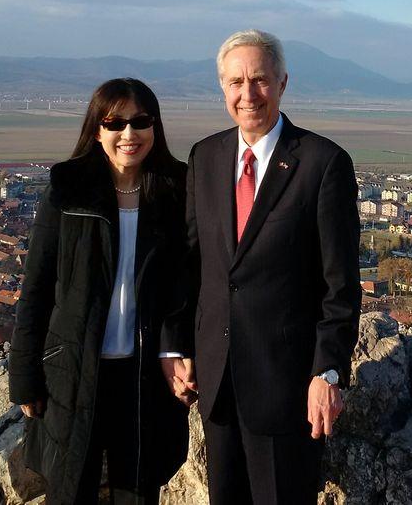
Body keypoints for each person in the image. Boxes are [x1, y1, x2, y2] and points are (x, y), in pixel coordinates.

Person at [166, 30, 361, 505]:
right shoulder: (204, 157)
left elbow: (341, 285)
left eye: (259, 80)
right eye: (235, 82)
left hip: (287, 388)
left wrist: (329, 372)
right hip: (216, 387)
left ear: (282, 83)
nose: (247, 94)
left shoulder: (323, 163)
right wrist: (174, 347)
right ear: (222, 88)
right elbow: (189, 265)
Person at [9, 78, 193, 505]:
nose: (129, 134)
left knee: (139, 490)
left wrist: (180, 350)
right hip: (72, 370)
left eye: (141, 122)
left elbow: (189, 286)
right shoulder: (67, 189)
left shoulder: (177, 191)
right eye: (115, 123)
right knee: (71, 487)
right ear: (97, 130)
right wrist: (24, 377)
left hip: (145, 373)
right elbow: (36, 288)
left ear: (155, 127)